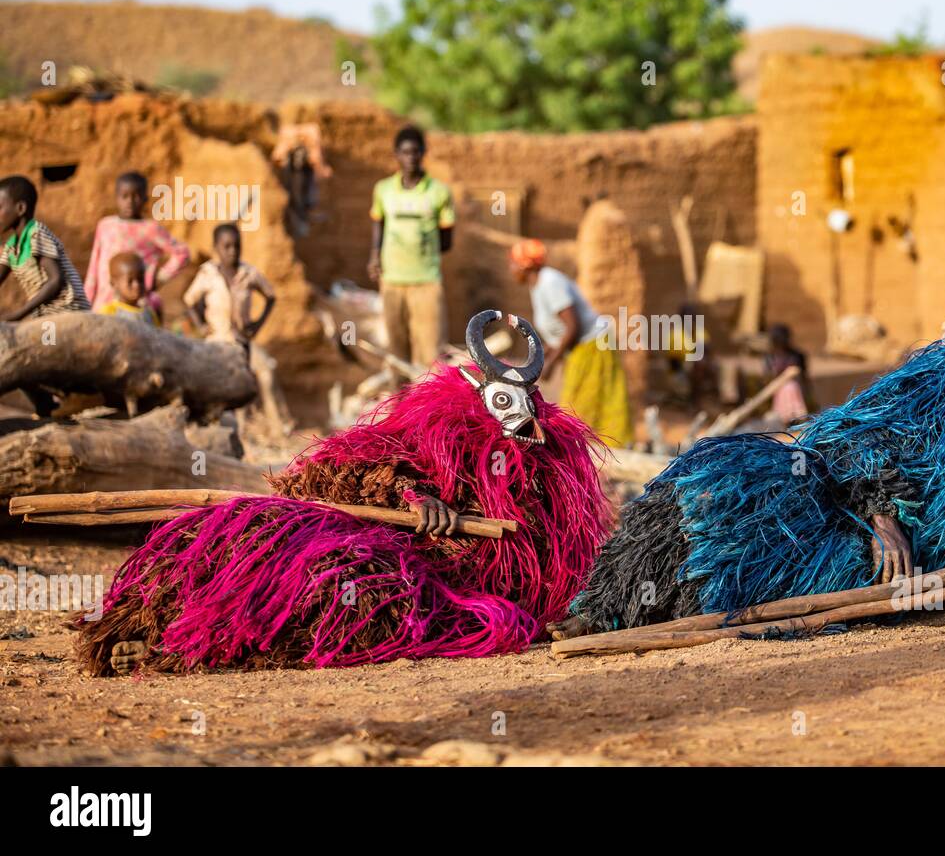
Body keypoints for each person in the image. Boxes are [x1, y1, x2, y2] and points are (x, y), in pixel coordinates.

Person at [552, 240, 945, 640]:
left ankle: (640, 612)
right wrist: (882, 510)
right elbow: (845, 442)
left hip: (901, 573)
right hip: (843, 506)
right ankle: (600, 609)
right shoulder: (935, 387)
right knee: (718, 482)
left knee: (756, 575)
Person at [77, 311, 609, 675]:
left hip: (429, 575)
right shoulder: (430, 431)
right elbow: (355, 464)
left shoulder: (546, 472)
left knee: (349, 604)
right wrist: (414, 498)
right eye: (507, 408)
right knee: (269, 554)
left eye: (530, 411)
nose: (525, 428)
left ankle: (176, 649)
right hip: (355, 524)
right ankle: (146, 628)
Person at [509, 238, 634, 448]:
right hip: (581, 347)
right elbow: (558, 334)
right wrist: (542, 357)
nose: (511, 269)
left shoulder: (549, 282)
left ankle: (609, 451)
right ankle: (594, 450)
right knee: (581, 401)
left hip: (592, 345)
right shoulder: (537, 286)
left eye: (513, 263)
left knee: (580, 404)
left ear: (525, 265)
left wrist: (551, 363)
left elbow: (572, 326)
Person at [367, 125, 454, 369]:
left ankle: (431, 406)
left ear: (423, 153)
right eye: (405, 153)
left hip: (426, 282)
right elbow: (379, 226)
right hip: (392, 281)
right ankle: (399, 405)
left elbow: (446, 240)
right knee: (397, 353)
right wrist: (375, 257)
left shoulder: (439, 192)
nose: (411, 158)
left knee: (431, 353)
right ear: (396, 154)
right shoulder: (383, 190)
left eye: (416, 152)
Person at [84, 171, 190, 317]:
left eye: (136, 196)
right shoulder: (105, 225)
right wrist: (86, 301)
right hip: (104, 301)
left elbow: (182, 253)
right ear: (116, 197)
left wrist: (158, 279)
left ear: (145, 199)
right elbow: (93, 268)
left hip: (135, 303)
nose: (130, 201)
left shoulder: (151, 229)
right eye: (124, 196)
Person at [0, 175, 90, 321]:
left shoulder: (36, 233)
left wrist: (18, 314)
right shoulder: (11, 246)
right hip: (45, 314)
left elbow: (55, 280)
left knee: (48, 341)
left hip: (66, 310)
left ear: (21, 208)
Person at [182, 224, 275, 347]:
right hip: (215, 344)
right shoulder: (208, 274)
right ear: (216, 248)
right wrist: (201, 327)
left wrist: (257, 324)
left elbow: (271, 296)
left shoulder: (249, 273)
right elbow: (189, 300)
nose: (233, 251)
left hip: (241, 344)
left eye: (237, 246)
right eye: (227, 246)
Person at [765, 323, 813, 425]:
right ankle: (786, 417)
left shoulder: (796, 356)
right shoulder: (770, 357)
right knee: (787, 388)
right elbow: (768, 377)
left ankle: (796, 416)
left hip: (796, 390)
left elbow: (803, 377)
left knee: (791, 387)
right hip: (777, 390)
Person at [95, 251, 159, 326]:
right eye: (130, 281)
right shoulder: (109, 313)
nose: (137, 285)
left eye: (140, 279)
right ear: (113, 283)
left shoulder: (150, 314)